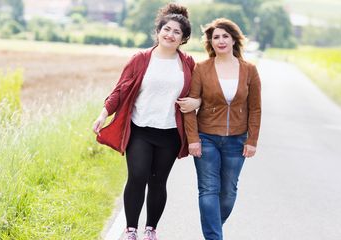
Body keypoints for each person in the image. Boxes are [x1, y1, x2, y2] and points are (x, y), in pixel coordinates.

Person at [92, 3, 200, 240]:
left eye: (176, 32)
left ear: (183, 39)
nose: (170, 35)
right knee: (138, 176)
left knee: (158, 181)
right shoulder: (141, 59)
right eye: (167, 29)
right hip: (140, 129)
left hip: (170, 133)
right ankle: (131, 230)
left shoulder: (188, 64)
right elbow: (120, 90)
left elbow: (198, 93)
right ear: (158, 31)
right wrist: (103, 114)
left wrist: (197, 102)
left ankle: (151, 230)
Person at [184, 18, 262, 240]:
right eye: (215, 37)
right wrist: (193, 139)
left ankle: (213, 226)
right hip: (206, 136)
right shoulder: (201, 69)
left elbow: (255, 109)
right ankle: (214, 237)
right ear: (210, 42)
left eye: (225, 36)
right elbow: (189, 105)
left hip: (237, 140)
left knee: (228, 193)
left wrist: (252, 140)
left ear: (234, 39)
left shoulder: (249, 71)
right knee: (208, 189)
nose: (220, 40)